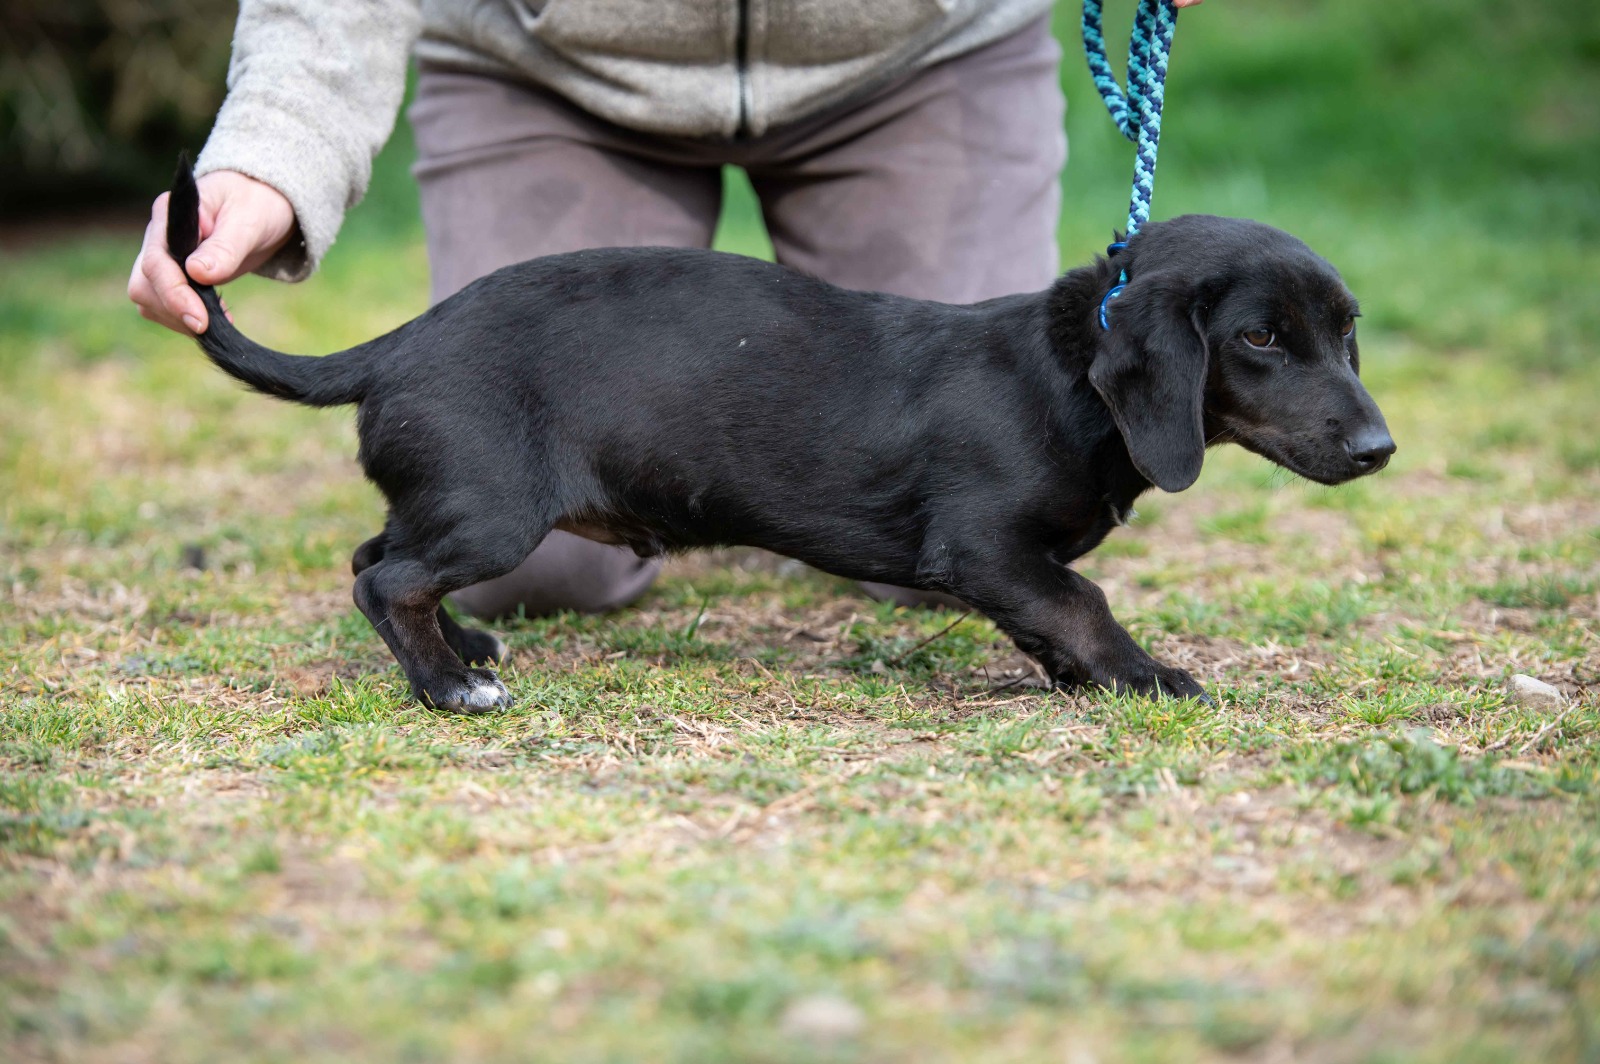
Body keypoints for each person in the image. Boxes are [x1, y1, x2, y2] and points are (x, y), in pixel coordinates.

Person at [129, 0, 1202, 619]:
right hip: (555, 67)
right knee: (531, 554)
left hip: (915, 57)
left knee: (987, 523)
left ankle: (776, 486)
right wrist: (272, 152)